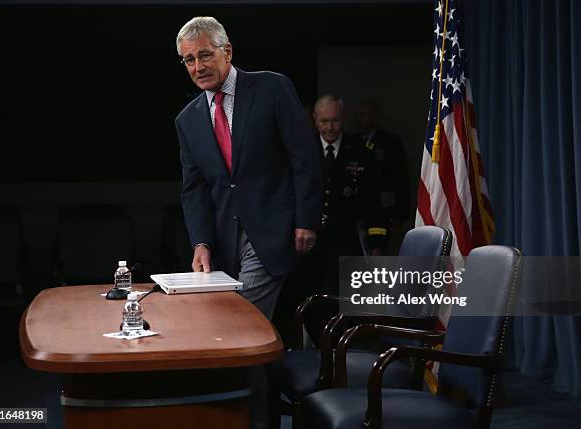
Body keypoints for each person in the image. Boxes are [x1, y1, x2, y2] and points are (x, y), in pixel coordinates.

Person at [174, 17, 322, 320]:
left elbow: (305, 156)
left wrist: (306, 220)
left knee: (238, 321)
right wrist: (201, 242)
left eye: (204, 55)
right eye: (189, 59)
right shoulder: (187, 120)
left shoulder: (272, 87)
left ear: (226, 51)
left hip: (274, 230)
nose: (197, 67)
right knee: (245, 333)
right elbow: (195, 189)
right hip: (224, 242)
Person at [276, 94, 386, 345]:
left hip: (345, 242)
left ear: (343, 118)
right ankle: (315, 356)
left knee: (346, 306)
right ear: (314, 120)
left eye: (335, 121)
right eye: (324, 121)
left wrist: (376, 245)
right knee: (310, 302)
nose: (330, 127)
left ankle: (342, 359)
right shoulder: (301, 150)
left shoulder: (360, 151)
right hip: (308, 246)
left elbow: (372, 203)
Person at [354, 98, 411, 253]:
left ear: (375, 116)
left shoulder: (390, 142)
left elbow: (400, 177)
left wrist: (402, 213)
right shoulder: (353, 142)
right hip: (360, 208)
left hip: (385, 208)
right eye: (359, 115)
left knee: (382, 253)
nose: (361, 119)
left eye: (365, 115)